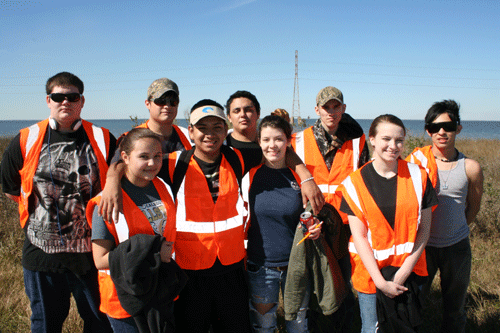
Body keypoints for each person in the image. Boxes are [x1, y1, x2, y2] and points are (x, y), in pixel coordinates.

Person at [0, 72, 115, 333]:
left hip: (91, 254)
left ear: (82, 101)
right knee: (45, 323)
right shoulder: (25, 139)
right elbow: (11, 190)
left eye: (72, 97)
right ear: (48, 100)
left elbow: (117, 177)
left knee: (99, 322)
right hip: (42, 255)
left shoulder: (103, 138)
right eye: (58, 97)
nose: (65, 102)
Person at [337, 114, 438, 333]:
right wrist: (381, 283)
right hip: (371, 276)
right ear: (372, 139)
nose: (393, 146)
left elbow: (424, 229)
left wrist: (403, 272)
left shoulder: (419, 176)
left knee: (406, 328)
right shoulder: (354, 183)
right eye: (386, 139)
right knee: (373, 329)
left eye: (399, 140)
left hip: (409, 274)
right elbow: (360, 236)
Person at [162, 99, 251, 332]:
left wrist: (306, 177)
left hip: (231, 267)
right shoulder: (173, 164)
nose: (210, 134)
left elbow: (280, 152)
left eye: (217, 127)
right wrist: (112, 179)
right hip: (190, 270)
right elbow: (129, 161)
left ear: (226, 130)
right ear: (190, 131)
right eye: (202, 128)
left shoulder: (237, 158)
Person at [87, 128, 181, 332]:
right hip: (125, 298)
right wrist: (155, 253)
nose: (152, 163)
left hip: (159, 289)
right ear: (125, 157)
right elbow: (100, 259)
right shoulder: (108, 201)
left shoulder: (161, 185)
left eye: (157, 156)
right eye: (143, 157)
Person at [290, 86, 369, 329]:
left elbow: (366, 180)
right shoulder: (298, 141)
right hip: (311, 225)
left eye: (336, 107)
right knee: (313, 282)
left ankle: (343, 326)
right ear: (317, 110)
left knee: (341, 282)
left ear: (344, 109)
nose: (331, 112)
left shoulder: (358, 142)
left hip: (344, 227)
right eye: (326, 107)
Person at [406, 100, 483, 333]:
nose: (442, 132)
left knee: (455, 307)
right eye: (435, 126)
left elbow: (473, 207)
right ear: (428, 130)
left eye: (448, 126)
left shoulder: (471, 167)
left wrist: (455, 229)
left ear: (458, 128)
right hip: (423, 247)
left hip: (457, 248)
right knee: (414, 303)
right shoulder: (415, 163)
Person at [243, 115, 322, 332]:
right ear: (258, 141)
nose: (272, 146)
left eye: (278, 139)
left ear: (288, 141)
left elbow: (312, 215)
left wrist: (314, 229)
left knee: (297, 325)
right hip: (261, 265)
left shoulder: (300, 177)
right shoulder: (249, 175)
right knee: (264, 325)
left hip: (296, 264)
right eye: (266, 139)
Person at [99, 78, 191, 222]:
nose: (167, 106)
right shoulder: (131, 138)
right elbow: (117, 165)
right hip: (147, 217)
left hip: (182, 217)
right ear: (147, 104)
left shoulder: (187, 136)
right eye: (160, 101)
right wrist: (111, 183)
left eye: (173, 101)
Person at [225, 90, 324, 214]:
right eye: (236, 111)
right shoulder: (221, 147)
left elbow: (287, 153)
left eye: (248, 110)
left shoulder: (268, 149)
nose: (243, 115)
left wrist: (306, 178)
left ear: (258, 114)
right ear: (228, 116)